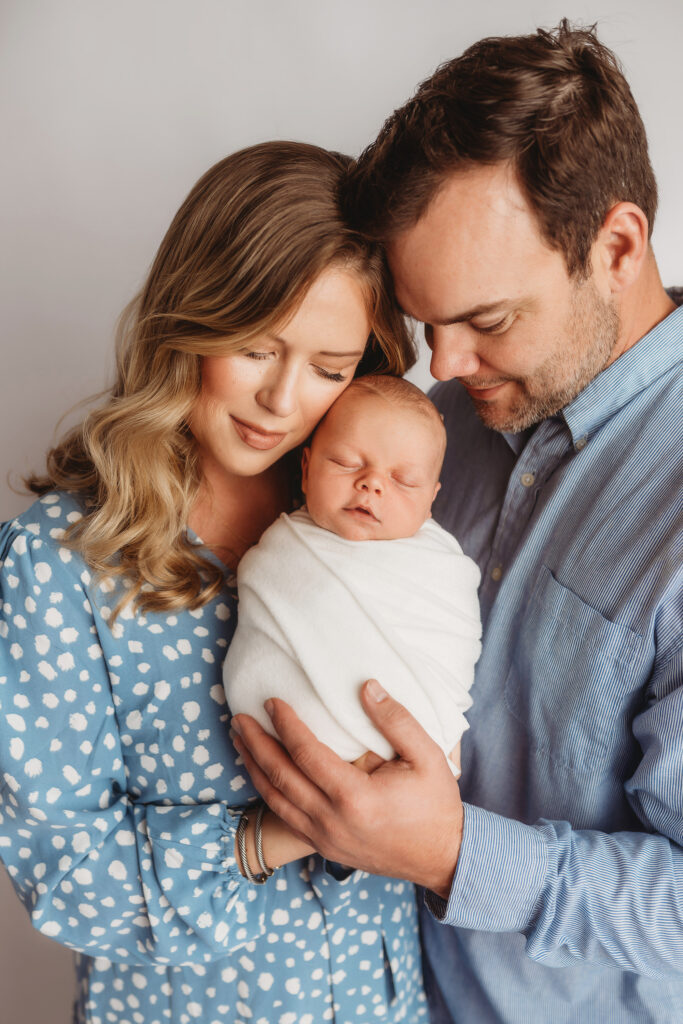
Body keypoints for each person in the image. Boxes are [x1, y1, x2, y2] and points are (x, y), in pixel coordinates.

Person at [231, 22, 683, 1024]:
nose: (441, 365)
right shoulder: (426, 432)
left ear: (615, 246)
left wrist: (450, 854)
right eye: (425, 322)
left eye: (485, 320)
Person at [0, 142, 430, 1023]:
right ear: (191, 315)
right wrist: (286, 831)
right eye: (256, 345)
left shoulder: (382, 527)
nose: (281, 399)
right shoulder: (56, 564)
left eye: (327, 368)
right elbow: (65, 876)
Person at [224, 374, 481, 772]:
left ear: (431, 501)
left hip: (399, 762)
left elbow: (452, 646)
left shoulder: (442, 565)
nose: (372, 484)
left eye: (403, 481)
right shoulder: (284, 544)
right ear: (306, 470)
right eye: (346, 463)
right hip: (270, 754)